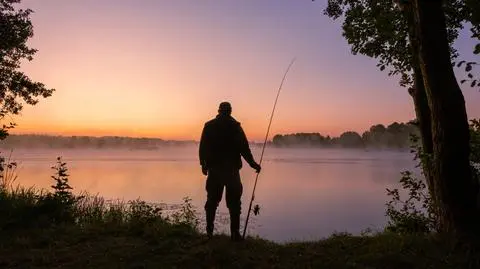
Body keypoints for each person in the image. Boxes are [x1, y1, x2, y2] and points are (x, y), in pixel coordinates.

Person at [199, 101, 261, 241]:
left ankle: (209, 233)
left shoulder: (209, 126)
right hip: (232, 172)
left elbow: (203, 147)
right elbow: (244, 149)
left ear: (219, 111)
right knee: (234, 204)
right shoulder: (236, 127)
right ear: (230, 111)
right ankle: (235, 234)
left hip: (214, 171)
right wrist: (253, 164)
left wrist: (203, 165)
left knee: (212, 203)